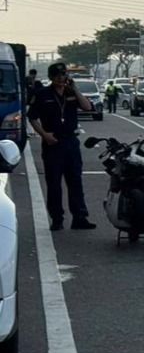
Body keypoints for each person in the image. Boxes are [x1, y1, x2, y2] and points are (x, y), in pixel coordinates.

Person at [27, 63, 96, 231]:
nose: (61, 78)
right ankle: (57, 218)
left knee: (75, 181)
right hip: (53, 143)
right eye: (57, 75)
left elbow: (87, 107)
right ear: (51, 77)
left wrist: (75, 89)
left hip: (70, 142)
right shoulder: (43, 94)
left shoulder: (71, 93)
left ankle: (79, 217)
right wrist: (44, 135)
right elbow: (32, 118)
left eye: (63, 75)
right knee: (54, 183)